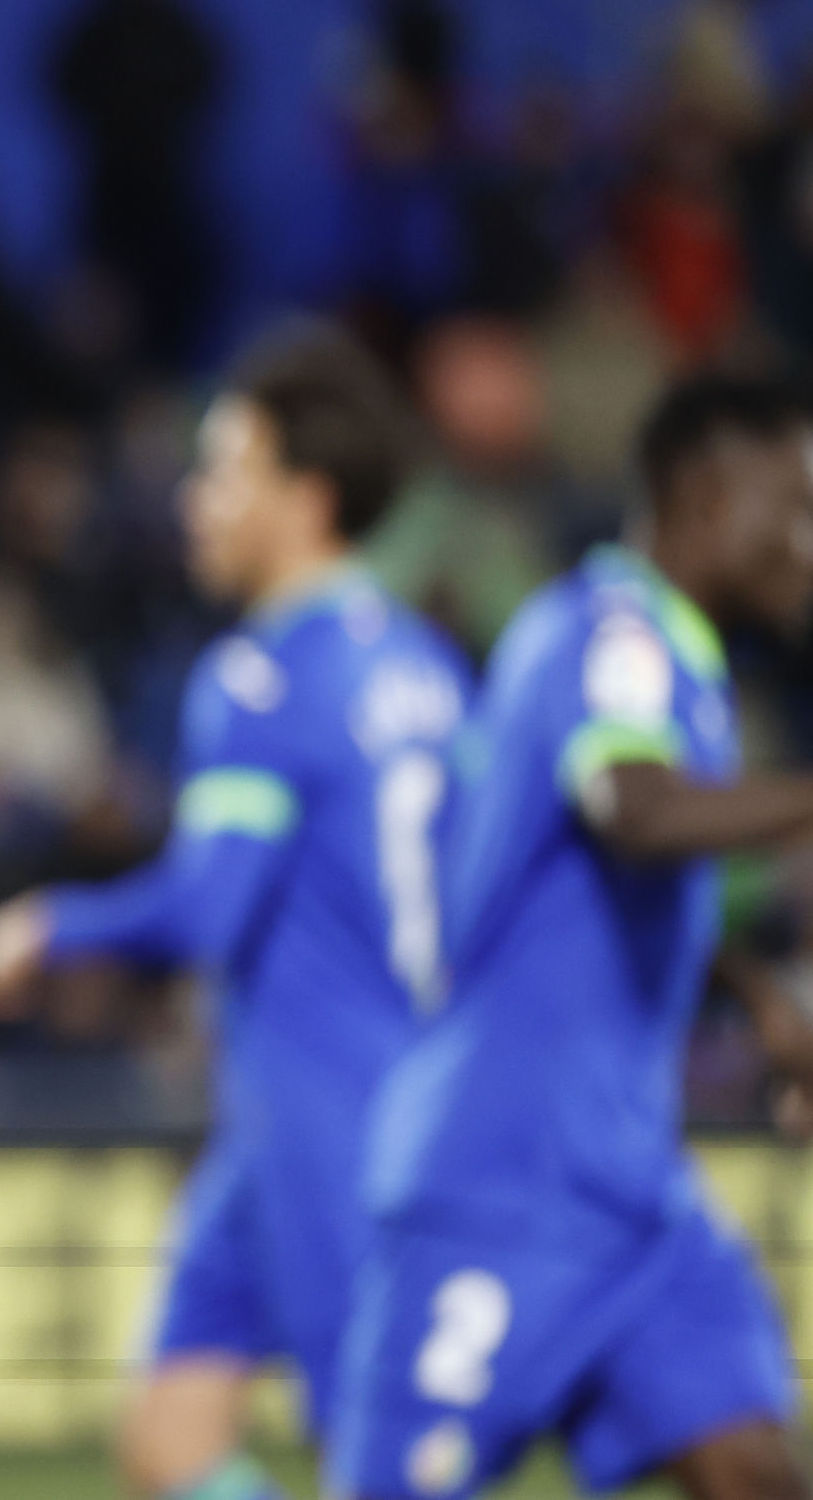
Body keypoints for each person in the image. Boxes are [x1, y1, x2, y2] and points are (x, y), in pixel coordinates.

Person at [0, 325, 469, 1500]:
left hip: (332, 1113)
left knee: (372, 1466)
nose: (194, 502)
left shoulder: (261, 677)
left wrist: (47, 928)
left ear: (307, 497)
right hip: (331, 1102)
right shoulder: (428, 669)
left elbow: (208, 906)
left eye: (224, 472)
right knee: (169, 1444)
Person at [328, 378, 813, 1500]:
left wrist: (754, 996)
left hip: (633, 1195)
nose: (808, 537)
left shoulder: (677, 660)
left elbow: (596, 896)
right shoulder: (611, 633)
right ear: (704, 495)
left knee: (755, 1473)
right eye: (792, 503)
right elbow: (633, 811)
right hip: (501, 1183)